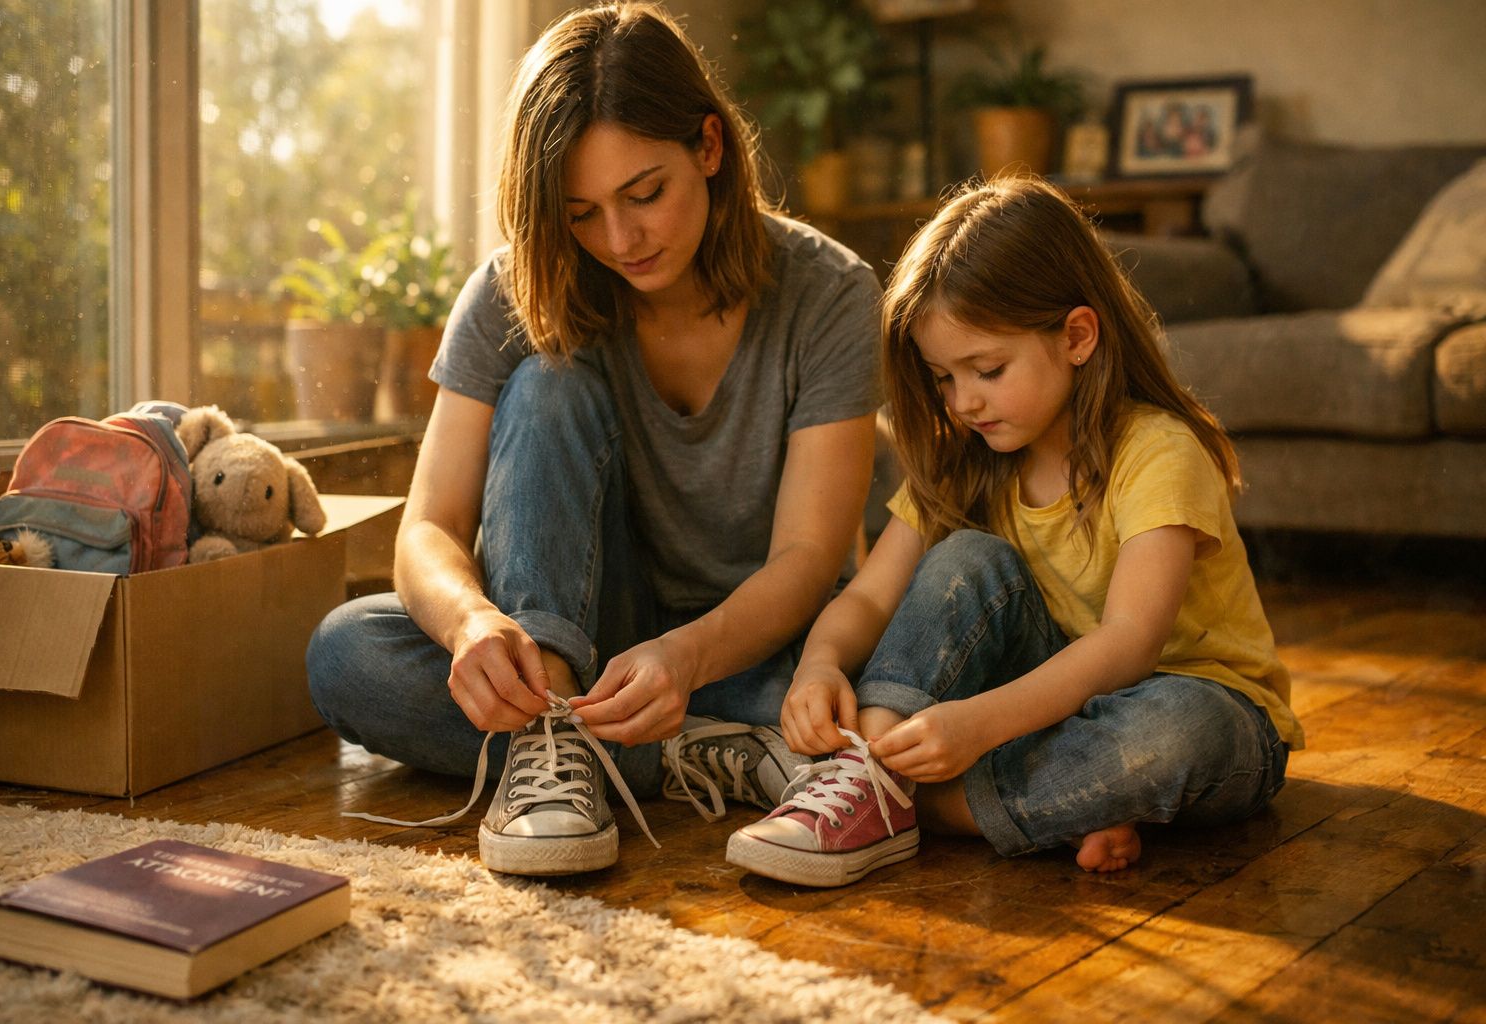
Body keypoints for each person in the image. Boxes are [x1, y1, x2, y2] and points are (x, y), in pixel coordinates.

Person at [306, 2, 881, 877]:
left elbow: (808, 558)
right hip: (576, 650)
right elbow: (428, 529)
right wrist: (471, 628)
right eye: (582, 213)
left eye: (645, 194)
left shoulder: (831, 295)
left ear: (710, 148)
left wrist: (684, 661)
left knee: (873, 701)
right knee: (346, 655)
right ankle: (662, 751)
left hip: (754, 652)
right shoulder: (512, 288)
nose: (620, 241)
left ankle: (601, 748)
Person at [726, 176, 1304, 888]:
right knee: (967, 557)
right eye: (943, 378)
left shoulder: (1159, 451)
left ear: (1077, 336)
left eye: (987, 370)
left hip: (1200, 709)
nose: (963, 401)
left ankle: (913, 799)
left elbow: (1130, 643)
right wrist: (820, 664)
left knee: (1178, 733)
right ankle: (882, 776)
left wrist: (977, 725)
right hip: (1038, 715)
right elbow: (871, 600)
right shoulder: (965, 460)